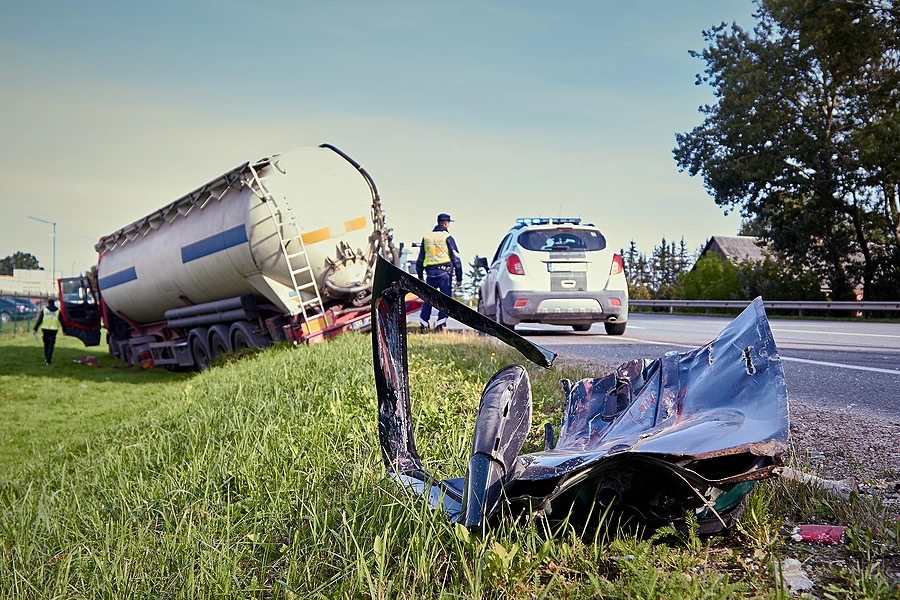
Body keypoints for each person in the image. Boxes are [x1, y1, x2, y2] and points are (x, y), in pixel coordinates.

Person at [416, 213, 463, 333]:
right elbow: (456, 258)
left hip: (430, 273)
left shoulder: (427, 237)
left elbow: (421, 257)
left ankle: (424, 325)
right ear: (446, 223)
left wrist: (420, 274)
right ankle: (440, 326)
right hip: (445, 274)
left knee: (428, 299)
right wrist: (459, 277)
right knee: (444, 301)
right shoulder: (447, 237)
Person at [33, 298, 61, 365]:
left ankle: (46, 358)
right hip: (53, 330)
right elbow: (62, 321)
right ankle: (48, 359)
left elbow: (39, 320)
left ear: (48, 303)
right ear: (54, 303)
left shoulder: (44, 310)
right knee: (51, 345)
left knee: (46, 344)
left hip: (45, 330)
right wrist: (65, 329)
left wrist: (35, 329)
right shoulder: (58, 311)